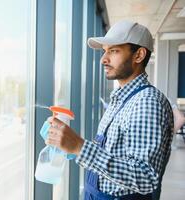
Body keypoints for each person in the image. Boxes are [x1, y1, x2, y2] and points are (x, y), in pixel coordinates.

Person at [46, 20, 174, 200]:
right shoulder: (121, 98)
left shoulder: (147, 102)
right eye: (104, 51)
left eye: (113, 51)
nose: (103, 59)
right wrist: (67, 143)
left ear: (139, 55)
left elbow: (146, 178)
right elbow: (113, 154)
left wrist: (80, 146)